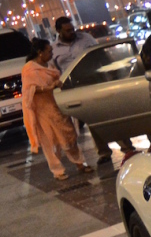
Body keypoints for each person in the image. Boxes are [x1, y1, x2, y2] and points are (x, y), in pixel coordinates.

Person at [51, 16, 134, 164]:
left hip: (95, 81)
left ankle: (127, 147)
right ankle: (103, 152)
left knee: (109, 115)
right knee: (91, 119)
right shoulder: (54, 49)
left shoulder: (86, 39)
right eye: (67, 31)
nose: (72, 32)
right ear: (58, 31)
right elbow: (55, 71)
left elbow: (101, 55)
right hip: (76, 87)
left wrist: (111, 73)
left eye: (72, 29)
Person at [21, 38, 92, 181]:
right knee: (50, 140)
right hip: (42, 110)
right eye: (49, 51)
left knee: (68, 135)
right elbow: (29, 90)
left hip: (56, 106)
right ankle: (58, 171)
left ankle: (80, 163)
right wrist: (49, 87)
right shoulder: (29, 69)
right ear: (40, 53)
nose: (52, 53)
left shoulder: (49, 65)